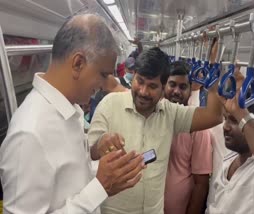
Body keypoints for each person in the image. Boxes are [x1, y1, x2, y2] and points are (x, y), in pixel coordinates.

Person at [0, 14, 145, 214]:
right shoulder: (29, 135)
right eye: (103, 74)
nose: (105, 85)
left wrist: (104, 169)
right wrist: (100, 187)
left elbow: (71, 179)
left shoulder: (71, 111)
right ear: (78, 63)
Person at [88, 46, 224, 214]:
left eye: (152, 86)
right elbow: (90, 152)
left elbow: (214, 116)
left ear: (163, 87)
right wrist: (101, 143)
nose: (143, 92)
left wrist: (214, 70)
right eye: (140, 81)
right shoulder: (109, 105)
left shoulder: (171, 114)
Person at [164, 61, 212, 214]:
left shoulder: (198, 126)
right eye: (172, 84)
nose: (176, 91)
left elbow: (201, 183)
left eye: (183, 87)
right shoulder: (153, 116)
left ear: (191, 90)